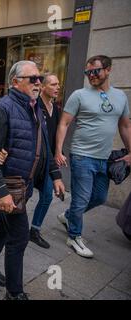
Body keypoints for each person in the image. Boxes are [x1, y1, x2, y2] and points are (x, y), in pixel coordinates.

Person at [0, 60, 64, 300]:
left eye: (40, 78)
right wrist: (1, 191)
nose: (39, 83)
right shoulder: (2, 108)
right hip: (11, 186)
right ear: (15, 82)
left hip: (24, 185)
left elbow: (44, 145)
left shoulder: (34, 106)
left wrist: (55, 175)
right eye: (33, 79)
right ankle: (14, 292)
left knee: (1, 228)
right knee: (18, 236)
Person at [55, 55, 131, 258]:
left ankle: (68, 216)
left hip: (105, 158)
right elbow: (63, 123)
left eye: (95, 71)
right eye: (87, 72)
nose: (91, 76)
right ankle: (74, 236)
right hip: (81, 155)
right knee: (81, 199)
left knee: (99, 197)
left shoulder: (121, 97)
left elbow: (124, 126)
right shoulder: (79, 95)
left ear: (108, 70)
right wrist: (59, 151)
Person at [28, 73, 62, 249]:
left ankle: (34, 230)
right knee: (23, 196)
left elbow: (56, 134)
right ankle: (9, 226)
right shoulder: (35, 106)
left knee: (47, 195)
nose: (57, 87)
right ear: (43, 87)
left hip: (48, 161)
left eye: (58, 84)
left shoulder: (55, 108)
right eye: (53, 84)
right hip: (33, 160)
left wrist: (58, 152)